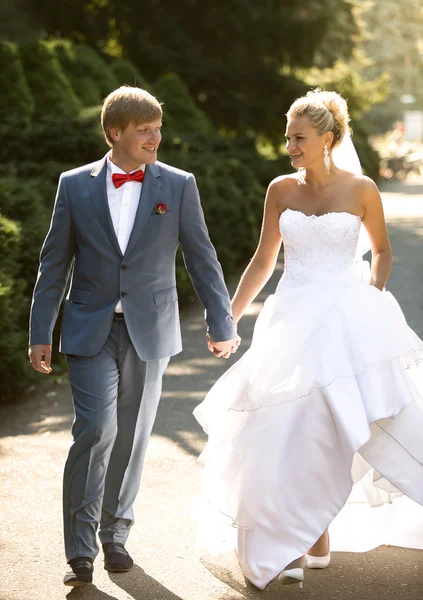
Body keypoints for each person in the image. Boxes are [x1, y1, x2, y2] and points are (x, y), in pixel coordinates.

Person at [193, 89, 423, 590]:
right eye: (288, 136)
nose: (289, 145)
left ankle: (313, 534)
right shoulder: (280, 189)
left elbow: (381, 252)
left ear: (328, 139)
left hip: (346, 320)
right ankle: (296, 536)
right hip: (292, 318)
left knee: (331, 422)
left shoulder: (362, 189)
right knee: (288, 426)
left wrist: (371, 296)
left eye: (298, 137)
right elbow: (262, 260)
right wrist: (227, 318)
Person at [28, 86, 240, 587]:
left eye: (157, 128)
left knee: (132, 435)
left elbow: (201, 256)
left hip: (151, 329)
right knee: (97, 429)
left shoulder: (179, 184)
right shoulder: (74, 185)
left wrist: (221, 321)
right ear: (115, 131)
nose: (155, 137)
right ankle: (79, 549)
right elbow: (53, 262)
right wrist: (41, 330)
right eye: (144, 129)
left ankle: (115, 534)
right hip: (89, 328)